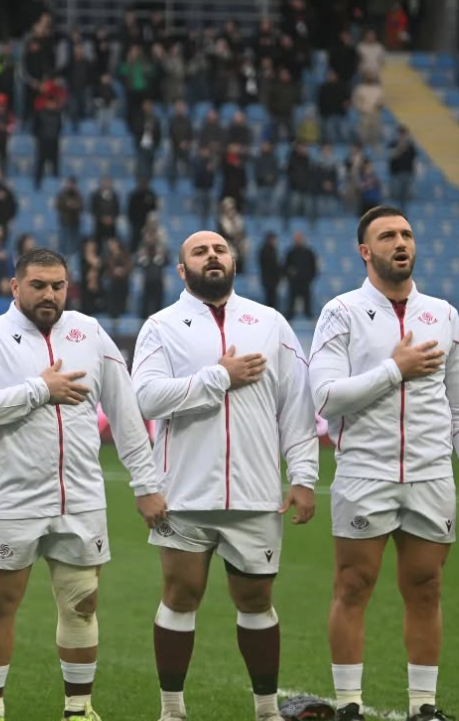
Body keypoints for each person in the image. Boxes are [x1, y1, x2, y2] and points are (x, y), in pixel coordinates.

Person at [0, 248, 165, 721]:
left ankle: (78, 708)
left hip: (81, 496)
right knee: (0, 604)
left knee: (82, 605)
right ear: (15, 287)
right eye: (38, 285)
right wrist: (39, 389)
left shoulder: (89, 332)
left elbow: (124, 410)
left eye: (58, 286)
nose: (49, 294)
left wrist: (145, 482)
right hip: (10, 499)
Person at [309, 206, 459, 721]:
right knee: (352, 586)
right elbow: (325, 396)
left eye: (407, 234)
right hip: (364, 473)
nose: (401, 242)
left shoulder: (443, 314)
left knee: (427, 588)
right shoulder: (341, 312)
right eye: (388, 235)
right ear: (365, 251)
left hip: (431, 475)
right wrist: (396, 368)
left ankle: (423, 707)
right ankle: (348, 705)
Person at [131, 230, 320, 721]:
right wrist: (218, 376)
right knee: (180, 595)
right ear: (182, 269)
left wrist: (303, 476)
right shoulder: (160, 326)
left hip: (256, 494)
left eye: (219, 250)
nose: (212, 256)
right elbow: (145, 398)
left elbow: (296, 405)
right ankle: (172, 711)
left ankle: (266, 711)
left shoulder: (270, 322)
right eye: (199, 251)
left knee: (257, 599)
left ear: (233, 261)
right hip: (183, 494)